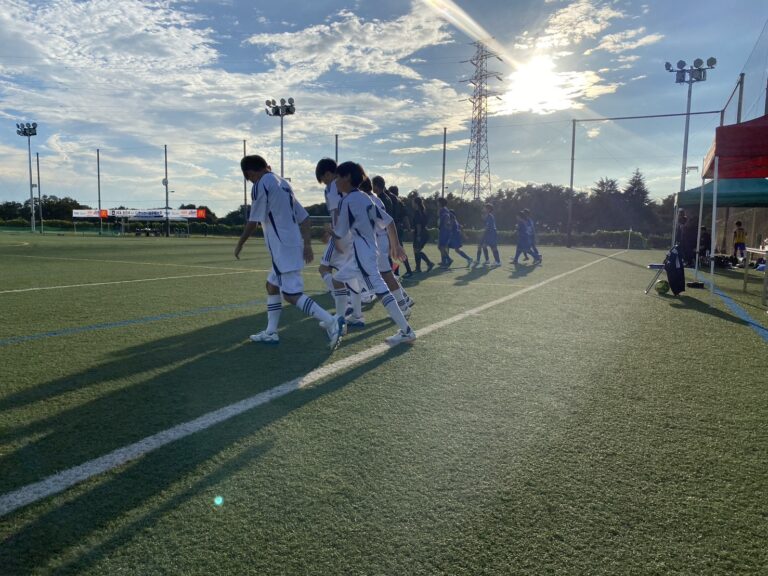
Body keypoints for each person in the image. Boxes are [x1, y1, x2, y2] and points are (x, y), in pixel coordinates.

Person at [235, 155, 343, 348]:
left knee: (291, 294)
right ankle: (271, 332)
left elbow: (253, 220)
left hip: (282, 248)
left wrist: (240, 243)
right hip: (290, 244)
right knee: (271, 286)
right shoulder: (284, 184)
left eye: (248, 177)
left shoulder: (261, 184)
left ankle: (331, 321)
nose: (250, 181)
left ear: (250, 172)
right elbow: (305, 218)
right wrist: (307, 244)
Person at [329, 161, 416, 345]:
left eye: (338, 177)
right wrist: (396, 245)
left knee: (380, 289)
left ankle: (407, 331)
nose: (335, 182)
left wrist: (330, 232)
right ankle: (339, 321)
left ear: (347, 177)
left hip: (362, 253)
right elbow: (389, 221)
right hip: (368, 250)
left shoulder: (347, 201)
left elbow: (340, 232)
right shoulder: (365, 197)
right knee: (338, 280)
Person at [387, 185, 414, 278]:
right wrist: (409, 228)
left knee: (393, 249)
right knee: (398, 249)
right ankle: (398, 271)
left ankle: (399, 271)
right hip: (399, 227)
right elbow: (405, 217)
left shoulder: (389, 200)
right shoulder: (400, 203)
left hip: (392, 227)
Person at [411, 196, 434, 273]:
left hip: (420, 233)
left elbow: (419, 225)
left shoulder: (417, 212)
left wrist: (418, 235)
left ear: (416, 203)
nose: (412, 204)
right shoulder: (423, 211)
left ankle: (429, 263)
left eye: (413, 202)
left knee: (417, 251)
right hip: (423, 233)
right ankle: (418, 268)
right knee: (416, 250)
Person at [437, 197, 452, 266]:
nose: (437, 203)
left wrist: (443, 226)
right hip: (444, 230)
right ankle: (444, 261)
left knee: (441, 246)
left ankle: (448, 260)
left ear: (440, 203)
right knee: (441, 247)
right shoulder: (445, 209)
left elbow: (446, 218)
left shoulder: (442, 210)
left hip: (444, 230)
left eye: (438, 202)